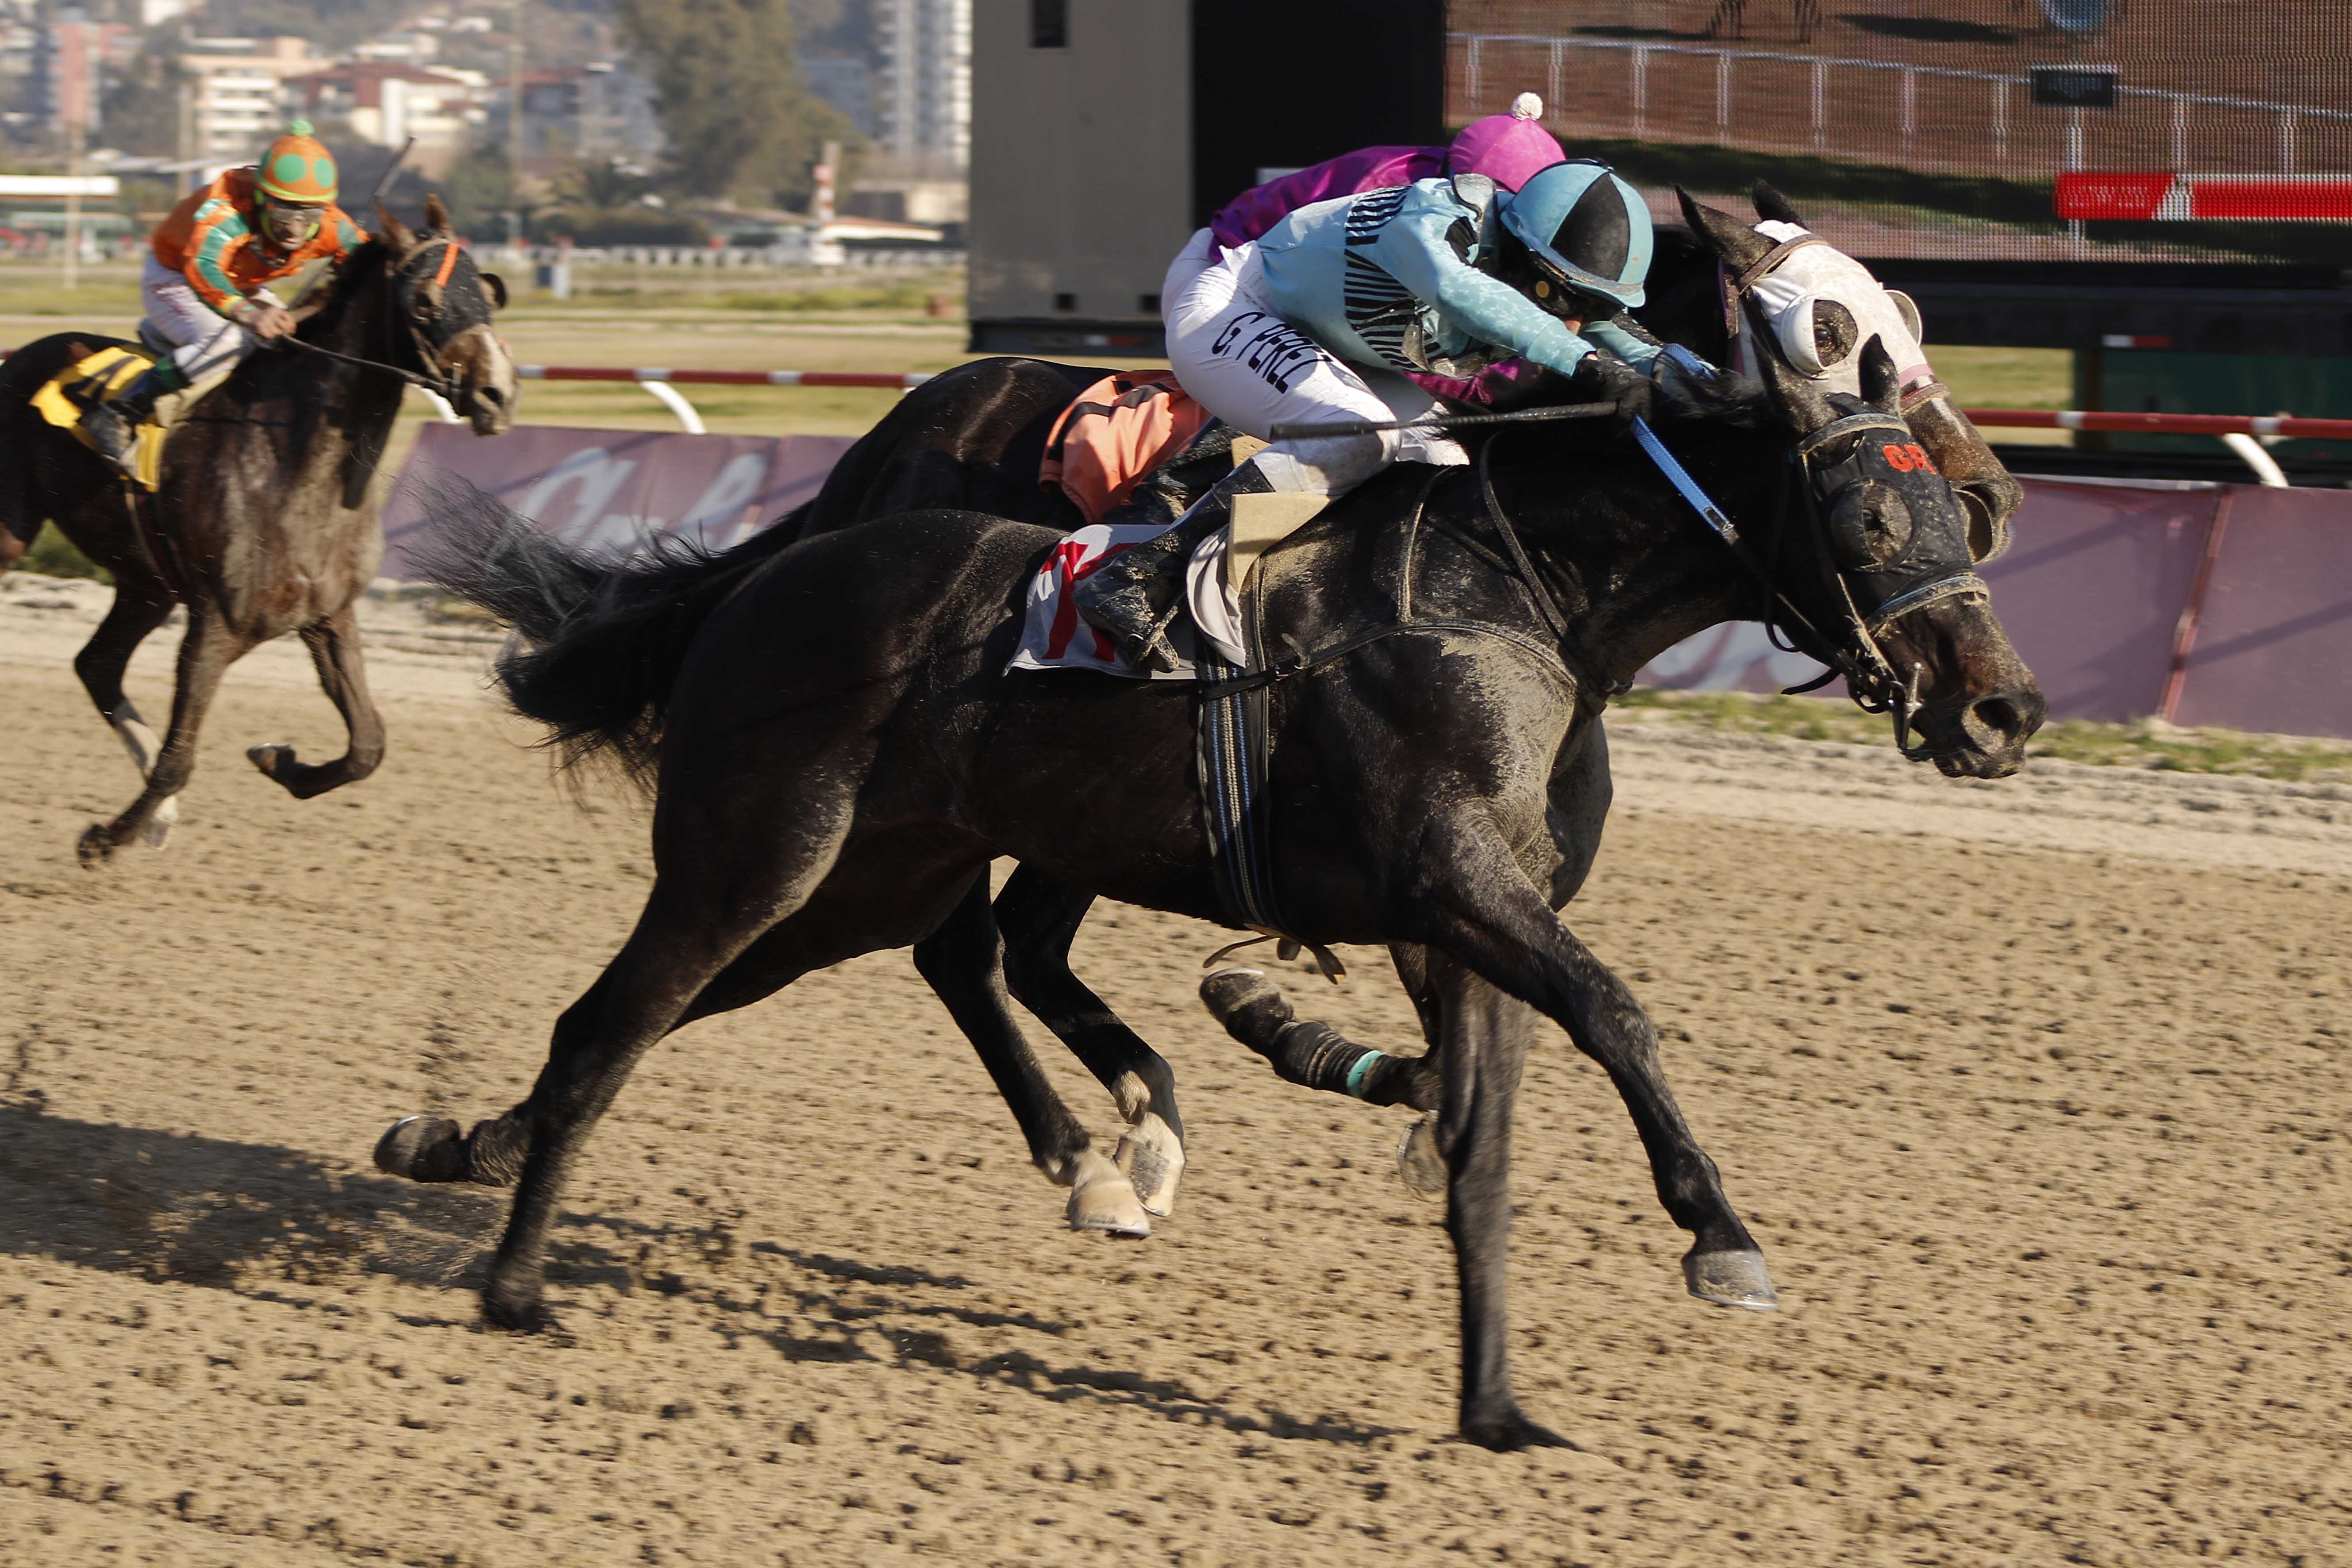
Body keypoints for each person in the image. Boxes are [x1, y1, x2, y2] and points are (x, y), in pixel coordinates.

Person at [1075, 154, 1744, 674]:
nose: (1572, 321)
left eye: (1586, 308)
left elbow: (1629, 343)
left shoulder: (1529, 260)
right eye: (1564, 298)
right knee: (1359, 437)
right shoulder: (1432, 219)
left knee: (1442, 466)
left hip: (1329, 349)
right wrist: (1585, 363)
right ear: (1523, 252)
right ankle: (1137, 573)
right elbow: (1459, 290)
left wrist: (1729, 393)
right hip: (1231, 312)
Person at [77, 119, 364, 478]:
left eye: (308, 213)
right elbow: (204, 270)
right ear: (261, 198)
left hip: (240, 282)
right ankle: (121, 412)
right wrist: (249, 314)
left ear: (324, 208)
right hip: (177, 277)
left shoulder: (331, 224)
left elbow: (369, 257)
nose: (295, 227)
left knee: (290, 340)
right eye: (284, 211)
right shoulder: (227, 210)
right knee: (230, 341)